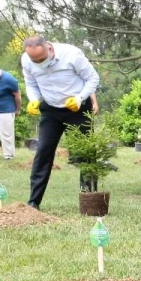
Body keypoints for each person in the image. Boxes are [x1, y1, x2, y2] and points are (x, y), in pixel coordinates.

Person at [21, 36, 100, 209]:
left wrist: (80, 98)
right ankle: (33, 202)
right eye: (35, 61)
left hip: (77, 109)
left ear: (49, 49)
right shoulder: (27, 60)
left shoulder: (72, 54)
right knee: (43, 152)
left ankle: (88, 199)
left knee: (85, 153)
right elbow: (31, 84)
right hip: (50, 110)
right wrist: (33, 99)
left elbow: (93, 78)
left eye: (41, 59)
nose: (38, 63)